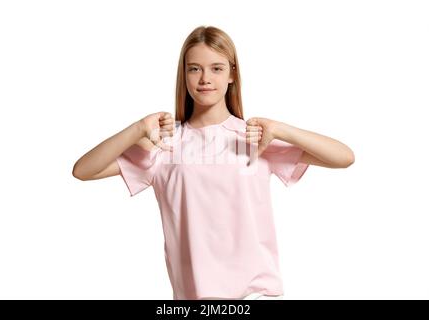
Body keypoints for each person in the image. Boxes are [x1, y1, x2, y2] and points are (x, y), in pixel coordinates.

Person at [72, 25, 355, 300]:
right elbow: (83, 170)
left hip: (256, 292)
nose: (205, 78)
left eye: (216, 68)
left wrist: (281, 129)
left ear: (232, 74)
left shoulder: (256, 139)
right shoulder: (165, 145)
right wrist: (136, 129)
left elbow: (343, 157)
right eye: (195, 68)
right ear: (184, 75)